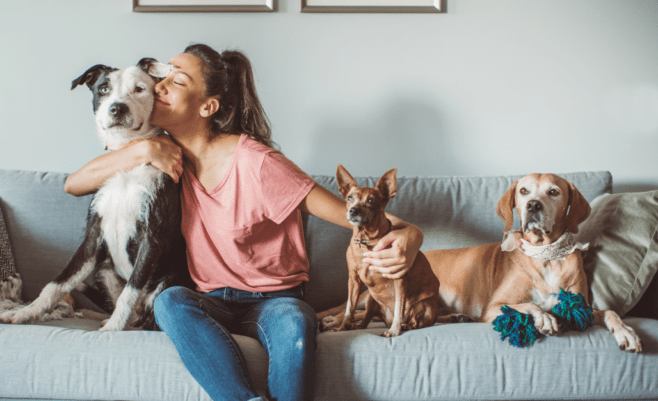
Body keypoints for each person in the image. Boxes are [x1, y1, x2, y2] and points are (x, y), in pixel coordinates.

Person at [64, 44, 423, 401]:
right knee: (170, 302)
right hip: (210, 300)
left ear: (208, 107)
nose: (160, 86)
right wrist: (141, 150)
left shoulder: (257, 163)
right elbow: (74, 184)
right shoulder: (159, 153)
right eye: (163, 76)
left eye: (177, 81)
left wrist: (413, 234)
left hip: (274, 300)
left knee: (296, 323)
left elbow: (355, 216)